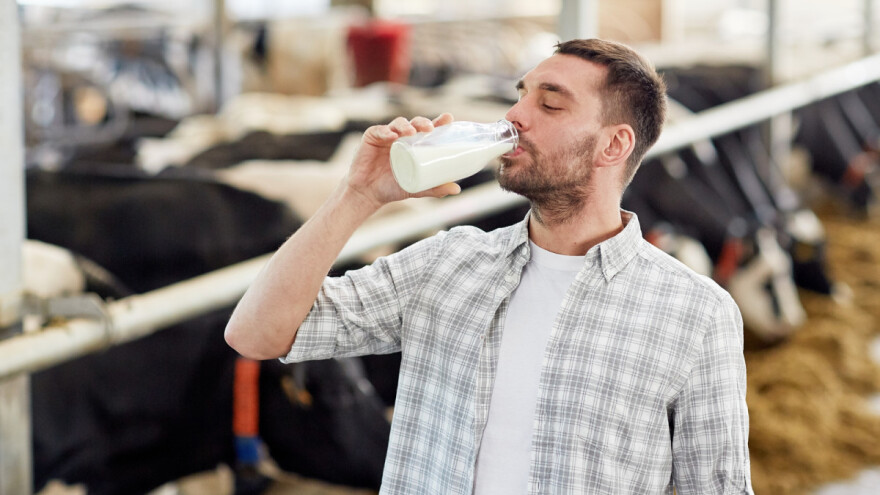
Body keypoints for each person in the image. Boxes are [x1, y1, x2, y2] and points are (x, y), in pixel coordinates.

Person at [225, 38, 754, 494]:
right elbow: (256, 334)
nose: (514, 117)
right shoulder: (448, 261)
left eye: (550, 105)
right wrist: (356, 195)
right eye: (519, 96)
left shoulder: (696, 314)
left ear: (614, 144)